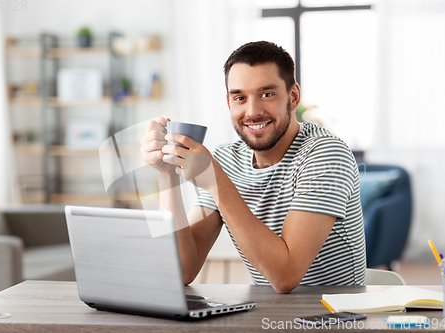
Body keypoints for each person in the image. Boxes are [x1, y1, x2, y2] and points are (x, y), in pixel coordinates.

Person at [140, 41, 366, 293]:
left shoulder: (325, 154)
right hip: (267, 314)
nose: (253, 111)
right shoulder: (225, 159)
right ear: (229, 104)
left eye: (267, 94)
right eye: (240, 98)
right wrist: (166, 174)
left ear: (293, 97)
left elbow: (286, 276)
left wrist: (215, 179)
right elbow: (181, 269)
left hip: (334, 317)